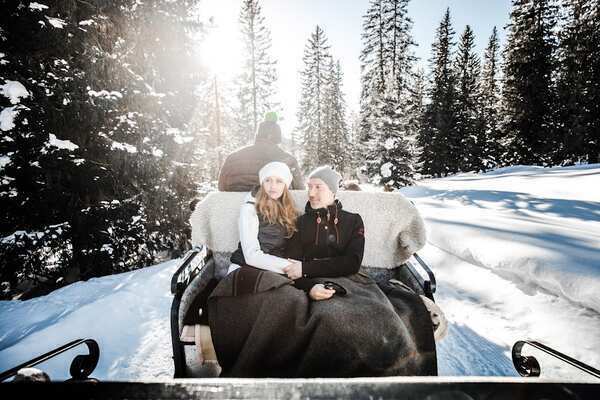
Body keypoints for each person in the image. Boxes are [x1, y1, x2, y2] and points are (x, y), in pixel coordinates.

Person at [227, 161, 299, 275]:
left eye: (279, 181)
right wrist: (291, 267)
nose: (272, 186)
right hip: (245, 268)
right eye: (268, 180)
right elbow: (251, 256)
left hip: (273, 270)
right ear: (262, 183)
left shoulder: (288, 210)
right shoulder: (250, 209)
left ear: (286, 185)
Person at [218, 112, 305, 192]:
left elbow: (221, 188)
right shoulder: (289, 160)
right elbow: (299, 192)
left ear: (258, 135)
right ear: (277, 138)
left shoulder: (232, 158)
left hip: (236, 208)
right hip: (273, 208)